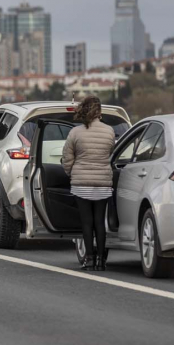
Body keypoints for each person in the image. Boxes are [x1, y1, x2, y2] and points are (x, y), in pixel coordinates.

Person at [61, 96, 116, 272]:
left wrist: (72, 173)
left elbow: (67, 159)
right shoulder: (109, 131)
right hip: (103, 183)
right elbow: (111, 154)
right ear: (99, 111)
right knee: (99, 221)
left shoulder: (75, 133)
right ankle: (101, 260)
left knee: (86, 223)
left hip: (81, 183)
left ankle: (89, 259)